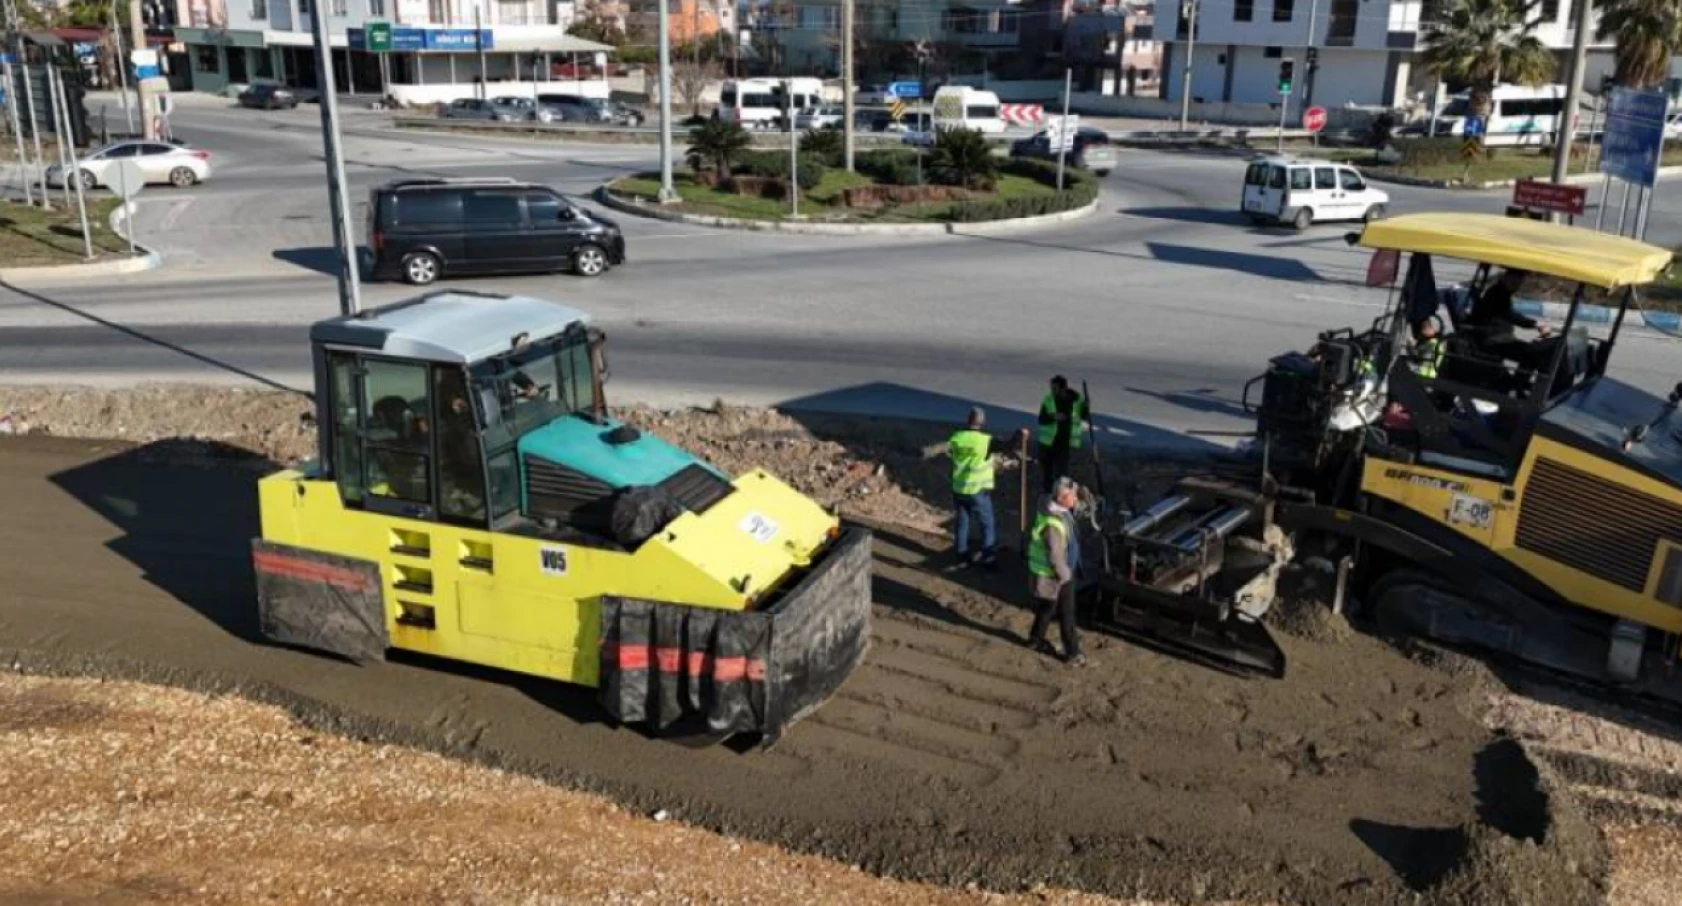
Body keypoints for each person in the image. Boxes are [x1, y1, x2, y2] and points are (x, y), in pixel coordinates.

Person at [1027, 476, 1085, 666]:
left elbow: (1071, 516)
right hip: (1056, 575)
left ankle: (1035, 640)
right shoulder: (1052, 525)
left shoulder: (1054, 509)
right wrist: (1066, 575)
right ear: (1061, 499)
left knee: (1047, 607)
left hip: (1052, 573)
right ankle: (1073, 653)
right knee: (1067, 614)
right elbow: (1055, 556)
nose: (1075, 498)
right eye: (1072, 496)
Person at [1465, 268, 1560, 373]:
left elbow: (1509, 313)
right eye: (1514, 282)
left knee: (1532, 352)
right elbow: (1510, 315)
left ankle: (1518, 383)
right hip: (1493, 340)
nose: (1516, 286)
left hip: (1500, 337)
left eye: (1518, 283)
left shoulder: (1502, 293)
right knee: (1532, 355)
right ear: (1505, 278)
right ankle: (1519, 384)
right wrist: (1535, 324)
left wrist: (1534, 325)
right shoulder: (1496, 294)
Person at [1035, 376, 1089, 495]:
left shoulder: (1076, 400)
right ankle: (1047, 494)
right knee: (1046, 472)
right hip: (1047, 442)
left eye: (1055, 388)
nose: (1052, 391)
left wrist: (1086, 407)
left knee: (1062, 473)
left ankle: (1061, 495)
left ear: (1063, 388)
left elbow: (1084, 416)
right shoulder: (1048, 400)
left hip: (1065, 442)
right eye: (1052, 388)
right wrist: (1053, 417)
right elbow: (1042, 419)